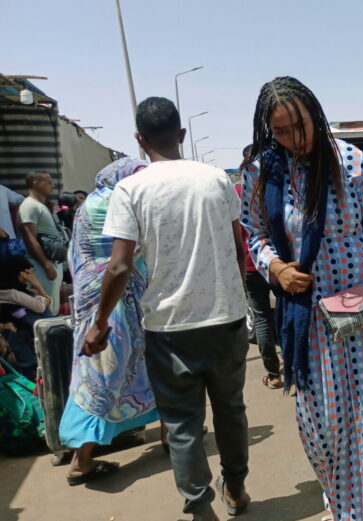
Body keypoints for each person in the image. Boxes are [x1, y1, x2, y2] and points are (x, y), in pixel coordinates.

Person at [241, 76, 363, 521]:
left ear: (315, 112)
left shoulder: (350, 161)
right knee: (323, 427)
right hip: (307, 318)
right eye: (282, 131)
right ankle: (342, 498)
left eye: (300, 126)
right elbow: (253, 233)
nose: (294, 139)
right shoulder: (262, 171)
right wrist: (275, 267)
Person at [82, 97, 250, 521]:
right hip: (225, 318)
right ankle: (236, 488)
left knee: (181, 422)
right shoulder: (215, 179)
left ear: (140, 140)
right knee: (230, 409)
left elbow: (119, 264)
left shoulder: (131, 189)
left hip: (168, 327)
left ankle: (199, 507)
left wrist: (99, 323)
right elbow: (236, 246)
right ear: (182, 135)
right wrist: (235, 294)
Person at [58, 158, 164, 486]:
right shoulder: (119, 201)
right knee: (109, 377)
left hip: (98, 302)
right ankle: (81, 462)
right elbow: (125, 260)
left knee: (108, 377)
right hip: (115, 305)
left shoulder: (90, 202)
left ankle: (168, 434)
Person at [237, 145, 282, 389]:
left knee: (262, 317)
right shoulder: (276, 187)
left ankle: (274, 375)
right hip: (278, 264)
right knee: (285, 312)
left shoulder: (236, 192)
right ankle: (294, 365)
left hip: (250, 265)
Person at [17, 171, 65, 314]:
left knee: (52, 308)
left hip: (50, 264)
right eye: (48, 182)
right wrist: (47, 265)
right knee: (45, 310)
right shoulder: (29, 206)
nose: (53, 185)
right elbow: (30, 238)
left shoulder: (40, 206)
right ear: (35, 183)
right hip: (41, 267)